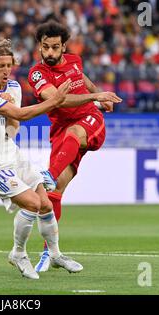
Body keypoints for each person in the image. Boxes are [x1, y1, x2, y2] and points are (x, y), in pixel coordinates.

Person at [0, 39, 84, 279]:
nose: (6, 70)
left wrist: (7, 133)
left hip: (10, 154)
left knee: (47, 204)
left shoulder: (13, 87)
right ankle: (18, 253)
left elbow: (14, 122)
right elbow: (21, 113)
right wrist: (55, 100)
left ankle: (55, 254)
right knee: (32, 203)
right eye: (0, 66)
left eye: (9, 65)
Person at [27, 20, 122, 272]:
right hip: (61, 132)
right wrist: (97, 96)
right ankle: (51, 252)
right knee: (54, 193)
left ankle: (47, 175)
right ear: (39, 46)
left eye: (55, 47)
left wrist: (98, 93)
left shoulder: (75, 60)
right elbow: (58, 100)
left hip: (90, 121)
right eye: (45, 47)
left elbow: (83, 79)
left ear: (63, 47)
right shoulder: (37, 74)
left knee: (73, 133)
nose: (49, 52)